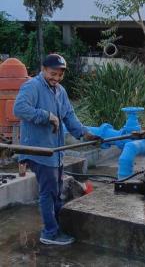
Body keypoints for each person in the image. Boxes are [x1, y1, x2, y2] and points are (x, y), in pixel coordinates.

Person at [14, 54, 100, 246]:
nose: (56, 78)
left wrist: (85, 135)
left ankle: (56, 226)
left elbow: (69, 115)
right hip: (39, 150)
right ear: (43, 69)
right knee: (49, 192)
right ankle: (49, 234)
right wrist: (47, 116)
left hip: (56, 152)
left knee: (57, 191)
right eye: (53, 74)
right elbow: (19, 108)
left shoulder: (60, 91)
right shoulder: (32, 86)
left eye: (60, 75)